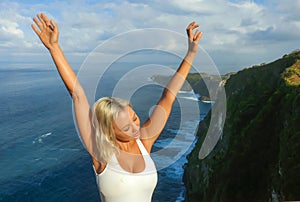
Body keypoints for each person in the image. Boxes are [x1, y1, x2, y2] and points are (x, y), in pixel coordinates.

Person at [32, 13, 202, 202]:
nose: (136, 127)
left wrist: (191, 52)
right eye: (126, 128)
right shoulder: (100, 154)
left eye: (135, 118)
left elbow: (168, 97)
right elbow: (78, 96)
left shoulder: (143, 141)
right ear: (109, 131)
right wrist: (54, 48)